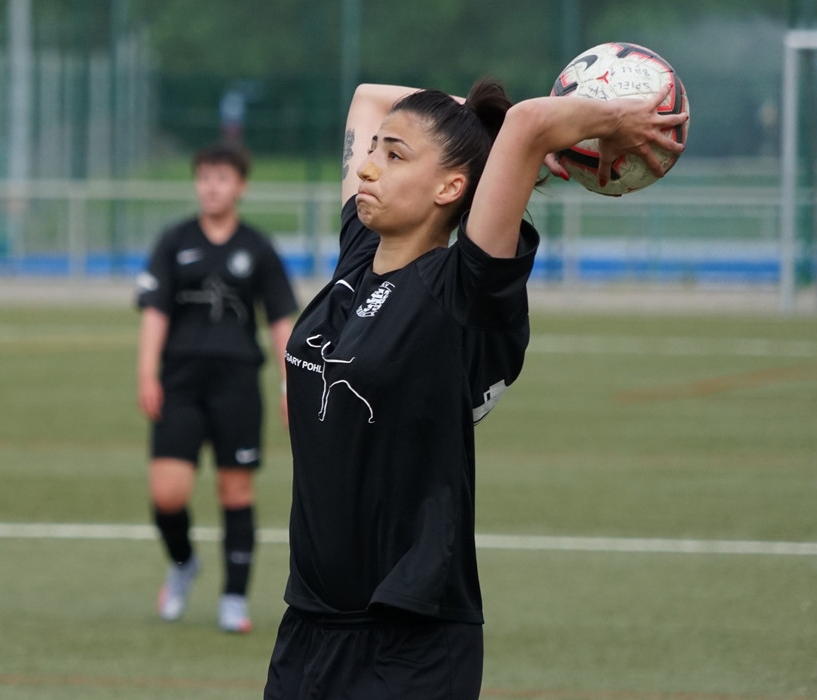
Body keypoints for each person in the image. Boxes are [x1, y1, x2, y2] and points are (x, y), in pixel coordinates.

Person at [263, 79, 686, 698]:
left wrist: (605, 118)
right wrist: (478, 120)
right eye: (373, 151)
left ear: (452, 188)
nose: (370, 165)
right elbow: (366, 97)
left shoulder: (463, 291)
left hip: (408, 639)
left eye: (395, 155)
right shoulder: (359, 256)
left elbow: (529, 128)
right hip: (308, 625)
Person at [135, 141, 298, 633]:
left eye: (222, 178)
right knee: (167, 493)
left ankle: (234, 598)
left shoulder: (258, 248)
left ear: (241, 186)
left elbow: (281, 321)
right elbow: (155, 312)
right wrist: (146, 372)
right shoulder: (173, 240)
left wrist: (293, 383)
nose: (211, 186)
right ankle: (184, 563)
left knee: (236, 490)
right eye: (204, 177)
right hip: (180, 382)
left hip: (237, 382)